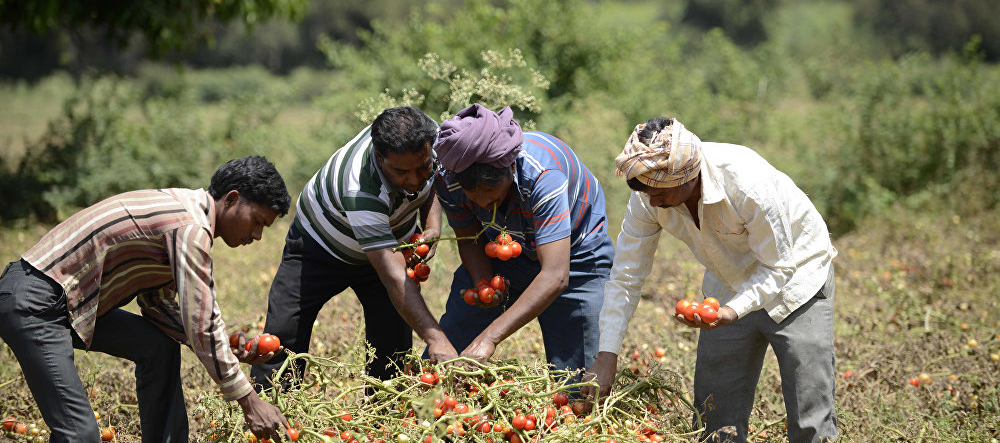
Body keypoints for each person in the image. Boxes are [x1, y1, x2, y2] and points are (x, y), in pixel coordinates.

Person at [0, 155, 294, 442]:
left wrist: (225, 352)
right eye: (256, 221)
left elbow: (158, 305)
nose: (256, 235)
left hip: (70, 303)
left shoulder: (185, 210)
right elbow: (202, 322)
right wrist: (249, 400)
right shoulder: (190, 228)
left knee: (158, 346)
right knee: (80, 434)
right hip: (35, 302)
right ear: (231, 199)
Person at [583, 117, 838, 442]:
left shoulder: (747, 183)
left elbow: (778, 268)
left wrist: (732, 312)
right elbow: (626, 275)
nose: (650, 199)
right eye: (641, 188)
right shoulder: (649, 196)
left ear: (688, 176)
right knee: (714, 417)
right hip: (727, 282)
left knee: (809, 415)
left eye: (657, 190)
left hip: (797, 279)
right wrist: (607, 355)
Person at [252, 106, 457, 390]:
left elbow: (434, 177)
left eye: (421, 166)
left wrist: (433, 227)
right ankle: (272, 410)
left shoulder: (430, 138)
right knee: (282, 337)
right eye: (401, 172)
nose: (413, 180)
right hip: (319, 246)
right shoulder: (361, 188)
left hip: (391, 245)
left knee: (392, 351)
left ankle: (385, 421)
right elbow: (392, 276)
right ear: (379, 158)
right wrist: (436, 339)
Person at [430, 103, 613, 371]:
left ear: (511, 170)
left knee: (576, 382)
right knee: (449, 353)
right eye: (473, 194)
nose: (483, 203)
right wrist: (483, 285)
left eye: (491, 191)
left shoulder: (542, 177)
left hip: (575, 258)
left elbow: (555, 275)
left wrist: (489, 339)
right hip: (505, 250)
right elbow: (469, 238)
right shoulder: (449, 176)